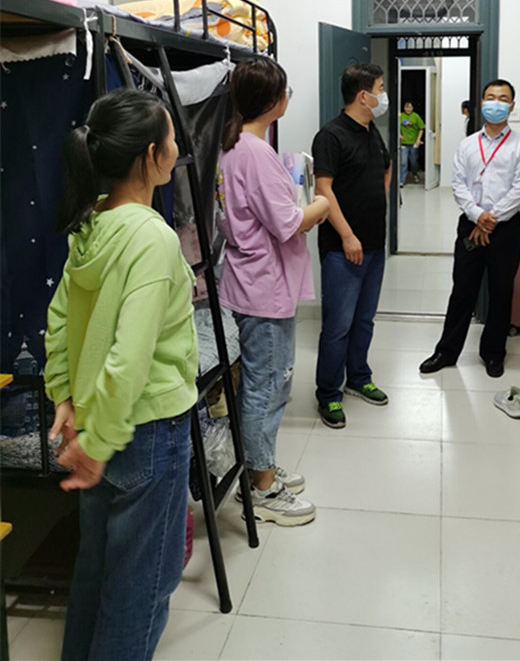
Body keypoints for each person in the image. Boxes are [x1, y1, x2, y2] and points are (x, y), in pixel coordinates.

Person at [44, 89, 198, 660]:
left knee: (97, 571)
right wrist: (100, 444)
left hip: (95, 424)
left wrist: (66, 399)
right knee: (141, 588)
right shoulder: (151, 237)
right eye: (171, 138)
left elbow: (60, 320)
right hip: (144, 430)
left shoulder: (91, 224)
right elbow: (130, 358)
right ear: (151, 155)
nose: (177, 147)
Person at [217, 57, 329, 525]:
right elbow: (287, 223)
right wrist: (320, 205)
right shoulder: (255, 153)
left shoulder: (234, 147)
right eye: (285, 92)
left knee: (262, 384)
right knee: (268, 387)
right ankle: (262, 489)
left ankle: (258, 467)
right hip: (263, 289)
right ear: (273, 101)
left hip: (250, 281)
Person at [419, 79, 520, 378]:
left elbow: (519, 189)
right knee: (462, 290)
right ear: (482, 103)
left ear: (511, 106)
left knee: (501, 291)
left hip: (505, 228)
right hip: (470, 224)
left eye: (503, 98)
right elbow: (458, 184)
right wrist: (477, 215)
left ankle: (494, 353)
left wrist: (491, 219)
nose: (496, 103)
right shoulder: (468, 144)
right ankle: (446, 352)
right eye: (491, 97)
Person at [312, 63, 392, 429]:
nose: (383, 95)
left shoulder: (372, 131)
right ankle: (329, 394)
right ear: (364, 95)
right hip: (342, 249)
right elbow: (323, 189)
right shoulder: (331, 135)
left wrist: (377, 201)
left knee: (364, 319)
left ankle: (358, 377)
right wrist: (347, 235)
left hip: (374, 244)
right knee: (338, 325)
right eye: (380, 88)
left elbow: (386, 167)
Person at [399, 101, 424, 186]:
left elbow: (421, 128)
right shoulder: (401, 116)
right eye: (406, 107)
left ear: (412, 108)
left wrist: (418, 140)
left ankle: (415, 174)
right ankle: (402, 180)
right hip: (404, 143)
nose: (408, 109)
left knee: (413, 162)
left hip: (413, 143)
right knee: (403, 162)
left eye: (409, 107)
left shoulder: (415, 116)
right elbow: (396, 126)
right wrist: (399, 135)